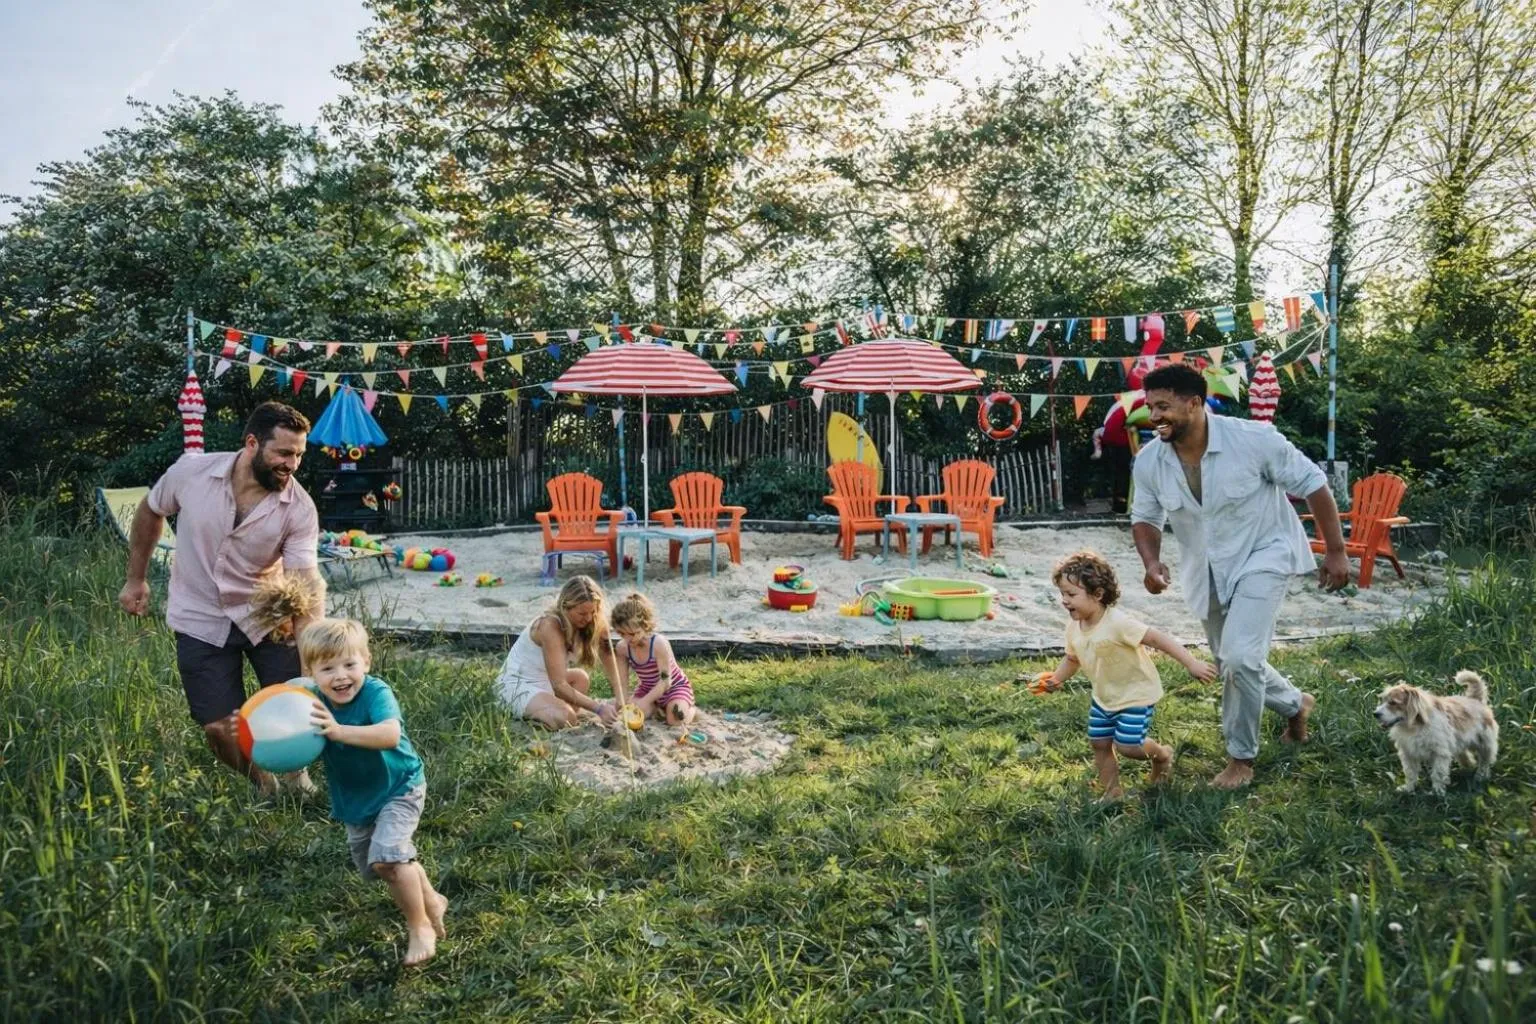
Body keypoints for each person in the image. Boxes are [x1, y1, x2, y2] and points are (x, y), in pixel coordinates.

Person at [1130, 363, 1350, 790]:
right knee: (1231, 661)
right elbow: (1145, 517)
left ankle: (1241, 760)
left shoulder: (1253, 440)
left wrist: (1336, 552)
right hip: (1205, 568)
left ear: (1194, 403)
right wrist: (1151, 563)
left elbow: (1314, 484)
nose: (1154, 416)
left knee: (1240, 658)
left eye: (1164, 406)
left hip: (1264, 553)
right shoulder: (1151, 460)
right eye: (1150, 406)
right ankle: (1295, 704)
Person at [118, 401, 323, 793]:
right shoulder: (191, 472)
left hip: (267, 615)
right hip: (199, 616)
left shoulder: (300, 509)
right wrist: (135, 579)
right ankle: (264, 784)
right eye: (283, 452)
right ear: (251, 443)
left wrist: (312, 652)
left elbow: (305, 584)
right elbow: (150, 510)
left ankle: (297, 776)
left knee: (294, 702)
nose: (292, 464)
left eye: (298, 454)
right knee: (218, 728)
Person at [300, 618, 446, 967]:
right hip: (357, 801)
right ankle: (432, 900)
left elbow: (389, 735)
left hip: (400, 787)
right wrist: (250, 728)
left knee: (388, 859)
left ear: (366, 660)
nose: (341, 676)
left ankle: (420, 925)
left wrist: (338, 731)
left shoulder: (375, 693)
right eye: (328, 668)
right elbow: (283, 731)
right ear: (311, 672)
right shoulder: (310, 700)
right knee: (380, 866)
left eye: (350, 664)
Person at [1040, 550, 1218, 799]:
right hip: (1104, 697)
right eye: (1062, 594)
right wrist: (1057, 678)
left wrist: (1191, 663)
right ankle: (1113, 792)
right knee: (1099, 744)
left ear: (1098, 594)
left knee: (1129, 746)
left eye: (1071, 594)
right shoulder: (1074, 627)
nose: (1064, 600)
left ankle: (1162, 755)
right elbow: (1072, 659)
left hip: (1136, 693)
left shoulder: (1118, 623)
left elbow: (1158, 639)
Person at [495, 575, 623, 729]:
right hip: (518, 685)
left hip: (544, 680)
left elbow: (609, 658)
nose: (588, 618)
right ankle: (541, 713)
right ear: (565, 607)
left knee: (581, 678)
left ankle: (555, 709)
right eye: (582, 613)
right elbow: (559, 685)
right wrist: (599, 708)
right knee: (567, 717)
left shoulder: (592, 621)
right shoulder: (549, 626)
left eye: (593, 612)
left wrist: (620, 695)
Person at [610, 592, 697, 727]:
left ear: (645, 626)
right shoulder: (622, 648)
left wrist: (644, 701)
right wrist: (621, 701)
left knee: (675, 719)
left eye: (633, 634)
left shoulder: (658, 644)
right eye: (622, 634)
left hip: (674, 688)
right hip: (647, 689)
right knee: (632, 715)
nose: (627, 639)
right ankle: (657, 709)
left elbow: (665, 681)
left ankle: (692, 711)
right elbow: (622, 681)